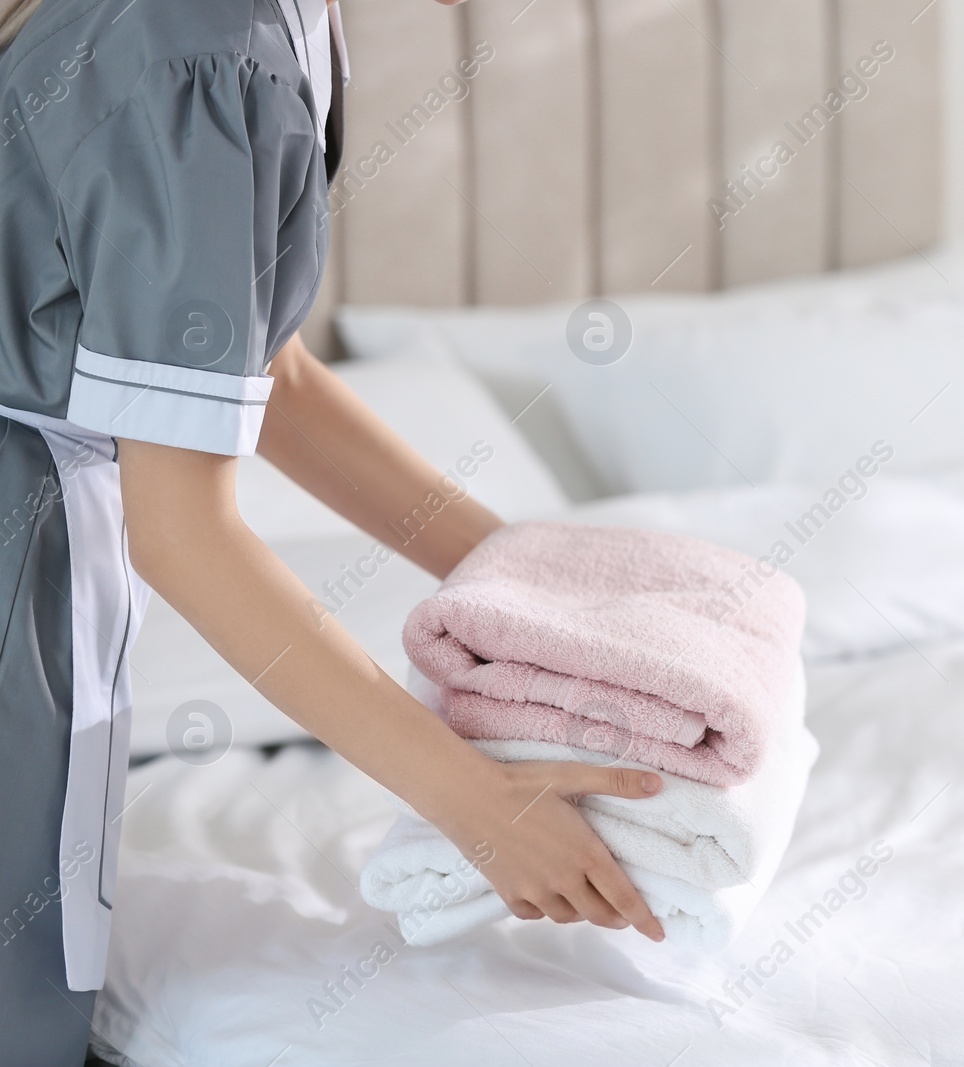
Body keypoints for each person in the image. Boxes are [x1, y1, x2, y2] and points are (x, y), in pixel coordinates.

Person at [0, 1, 664, 1063]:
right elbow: (183, 534)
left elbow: (271, 371)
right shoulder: (192, 45)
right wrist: (476, 802)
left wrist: (532, 581)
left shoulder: (272, 22)